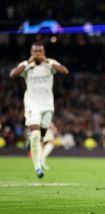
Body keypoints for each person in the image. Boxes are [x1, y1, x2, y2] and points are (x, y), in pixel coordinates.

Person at [10, 42, 69, 178]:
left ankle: (34, 140)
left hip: (47, 105)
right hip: (32, 104)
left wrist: (47, 61)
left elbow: (65, 71)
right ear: (31, 53)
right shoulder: (26, 65)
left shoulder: (50, 64)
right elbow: (13, 74)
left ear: (43, 52)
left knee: (42, 132)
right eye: (35, 51)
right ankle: (37, 167)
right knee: (36, 134)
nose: (37, 54)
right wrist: (26, 64)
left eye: (40, 51)